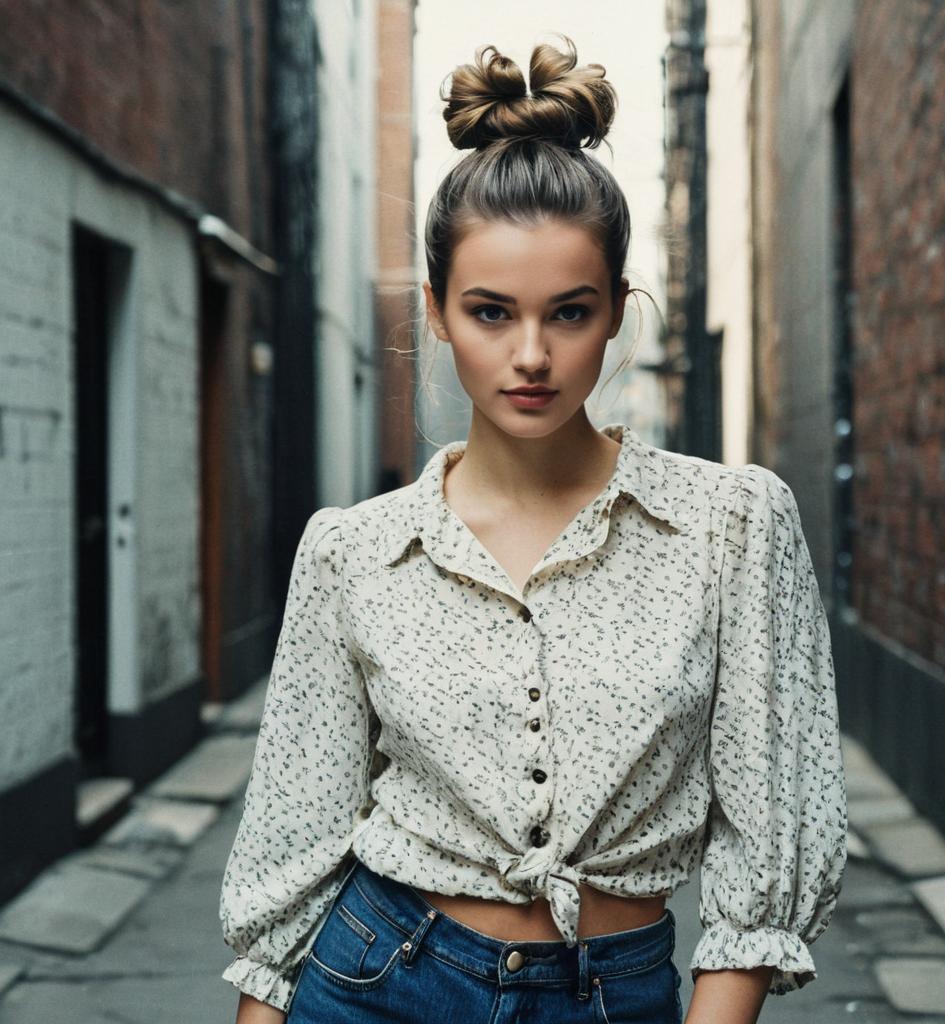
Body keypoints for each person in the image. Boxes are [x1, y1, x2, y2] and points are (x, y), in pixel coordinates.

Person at [219, 34, 847, 1024]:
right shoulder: (351, 551)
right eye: (488, 311)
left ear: (614, 315)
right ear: (435, 312)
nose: (530, 354)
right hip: (374, 980)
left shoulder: (729, 527)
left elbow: (767, 837)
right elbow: (290, 856)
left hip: (610, 992)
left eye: (567, 311)